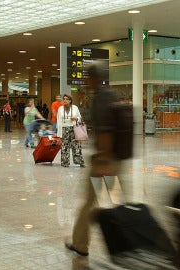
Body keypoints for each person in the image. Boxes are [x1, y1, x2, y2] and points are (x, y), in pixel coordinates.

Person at [65, 64, 121, 256]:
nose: (85, 83)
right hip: (115, 158)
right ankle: (128, 239)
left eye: (86, 78)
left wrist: (103, 162)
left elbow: (105, 131)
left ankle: (80, 244)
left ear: (93, 78)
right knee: (114, 201)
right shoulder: (110, 95)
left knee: (90, 202)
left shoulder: (100, 98)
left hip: (104, 160)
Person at [57, 94, 85, 168]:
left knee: (76, 146)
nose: (65, 100)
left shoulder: (75, 108)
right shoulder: (60, 109)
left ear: (70, 100)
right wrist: (59, 134)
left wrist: (76, 119)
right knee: (64, 147)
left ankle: (80, 162)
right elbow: (58, 121)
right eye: (64, 99)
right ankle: (65, 162)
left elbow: (80, 118)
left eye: (67, 99)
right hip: (64, 129)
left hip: (74, 128)